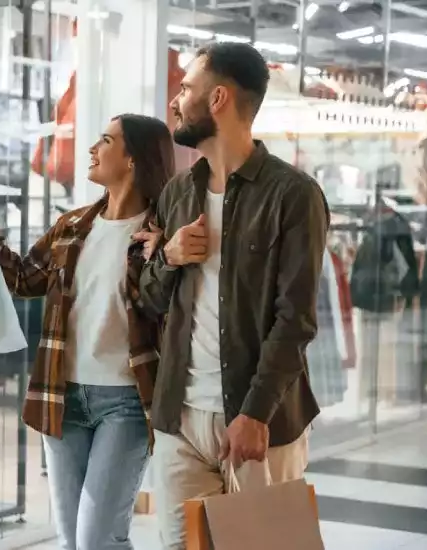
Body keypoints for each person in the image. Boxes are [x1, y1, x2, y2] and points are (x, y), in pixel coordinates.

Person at [132, 42, 328, 549]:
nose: (176, 101)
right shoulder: (178, 193)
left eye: (185, 89)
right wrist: (169, 257)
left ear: (218, 98)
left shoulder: (292, 195)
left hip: (258, 421)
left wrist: (256, 412)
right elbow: (150, 302)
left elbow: (296, 318)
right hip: (181, 419)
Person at [0, 114, 176, 549]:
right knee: (74, 540)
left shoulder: (158, 236)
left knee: (96, 540)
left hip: (127, 403)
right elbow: (22, 279)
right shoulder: (72, 227)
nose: (92, 148)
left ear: (133, 160)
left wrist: (168, 254)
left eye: (105, 140)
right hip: (62, 395)